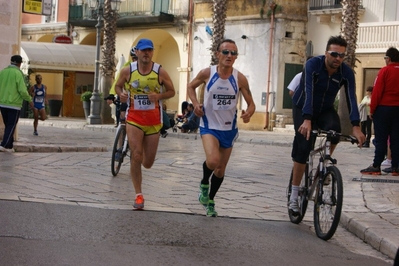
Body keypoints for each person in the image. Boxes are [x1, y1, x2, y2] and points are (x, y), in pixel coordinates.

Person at [289, 36, 365, 215]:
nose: (337, 58)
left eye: (341, 55)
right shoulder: (313, 65)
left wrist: (356, 126)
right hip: (303, 107)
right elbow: (308, 91)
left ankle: (325, 163)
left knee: (335, 131)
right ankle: (293, 196)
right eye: (334, 54)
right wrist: (307, 119)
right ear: (326, 53)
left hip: (325, 110)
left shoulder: (345, 73)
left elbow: (352, 98)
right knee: (304, 146)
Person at [187, 39, 255, 217]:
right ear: (218, 54)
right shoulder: (207, 73)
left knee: (220, 169)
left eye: (233, 53)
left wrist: (248, 113)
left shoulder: (239, 78)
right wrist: (195, 104)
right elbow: (190, 87)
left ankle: (210, 200)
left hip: (229, 129)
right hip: (209, 125)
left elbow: (251, 104)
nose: (229, 56)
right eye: (226, 52)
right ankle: (203, 183)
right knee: (213, 160)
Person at [114, 38, 175, 209]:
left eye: (150, 50)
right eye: (144, 50)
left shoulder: (159, 72)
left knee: (147, 162)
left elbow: (172, 91)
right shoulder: (128, 71)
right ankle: (138, 195)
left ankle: (137, 165)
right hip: (134, 119)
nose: (147, 53)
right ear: (137, 52)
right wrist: (122, 95)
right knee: (136, 155)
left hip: (154, 121)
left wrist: (159, 96)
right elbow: (118, 87)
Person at [360, 47, 399, 176]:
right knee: (396, 138)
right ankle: (396, 167)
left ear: (388, 59)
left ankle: (376, 165)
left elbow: (377, 92)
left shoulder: (384, 71)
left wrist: (372, 109)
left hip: (383, 109)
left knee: (381, 138)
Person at [0, 55, 34, 152]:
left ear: (11, 62)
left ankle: (10, 146)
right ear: (19, 64)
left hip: (2, 103)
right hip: (14, 105)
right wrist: (29, 100)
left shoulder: (2, 72)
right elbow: (22, 90)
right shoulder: (18, 74)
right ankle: (4, 144)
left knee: (8, 125)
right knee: (11, 125)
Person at [110, 47, 138, 126]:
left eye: (137, 58)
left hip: (141, 97)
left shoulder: (147, 67)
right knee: (123, 118)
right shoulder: (126, 67)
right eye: (134, 58)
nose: (135, 60)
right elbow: (117, 82)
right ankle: (121, 133)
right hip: (127, 94)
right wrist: (112, 94)